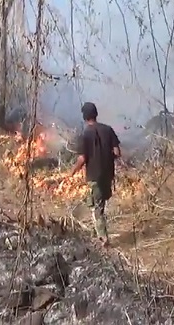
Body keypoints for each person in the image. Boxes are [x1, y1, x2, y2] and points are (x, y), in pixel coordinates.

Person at [67, 102, 121, 247]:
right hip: (108, 175)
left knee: (96, 207)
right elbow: (117, 152)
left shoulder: (85, 134)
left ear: (85, 117)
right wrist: (108, 158)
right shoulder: (108, 130)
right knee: (100, 204)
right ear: (96, 114)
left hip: (94, 176)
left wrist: (72, 172)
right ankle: (96, 232)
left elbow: (82, 158)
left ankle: (103, 238)